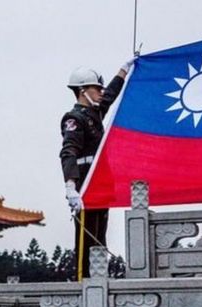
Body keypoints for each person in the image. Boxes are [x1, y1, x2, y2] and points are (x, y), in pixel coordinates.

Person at [59, 60, 132, 279]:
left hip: (101, 183)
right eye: (96, 89)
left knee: (100, 237)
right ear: (83, 91)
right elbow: (68, 151)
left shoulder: (94, 114)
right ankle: (84, 283)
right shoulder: (74, 118)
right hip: (85, 184)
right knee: (86, 238)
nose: (101, 92)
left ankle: (100, 279)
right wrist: (70, 185)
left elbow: (110, 95)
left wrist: (124, 71)